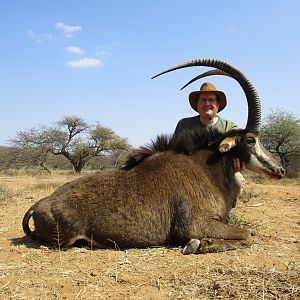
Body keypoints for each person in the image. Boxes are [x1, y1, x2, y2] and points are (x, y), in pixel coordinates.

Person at [174, 82, 245, 200]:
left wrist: (238, 165)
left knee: (237, 181)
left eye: (211, 100)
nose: (207, 103)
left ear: (218, 104)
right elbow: (174, 152)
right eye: (203, 100)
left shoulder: (230, 127)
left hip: (221, 173)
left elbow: (239, 155)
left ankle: (226, 210)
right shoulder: (184, 124)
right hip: (190, 172)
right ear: (197, 104)